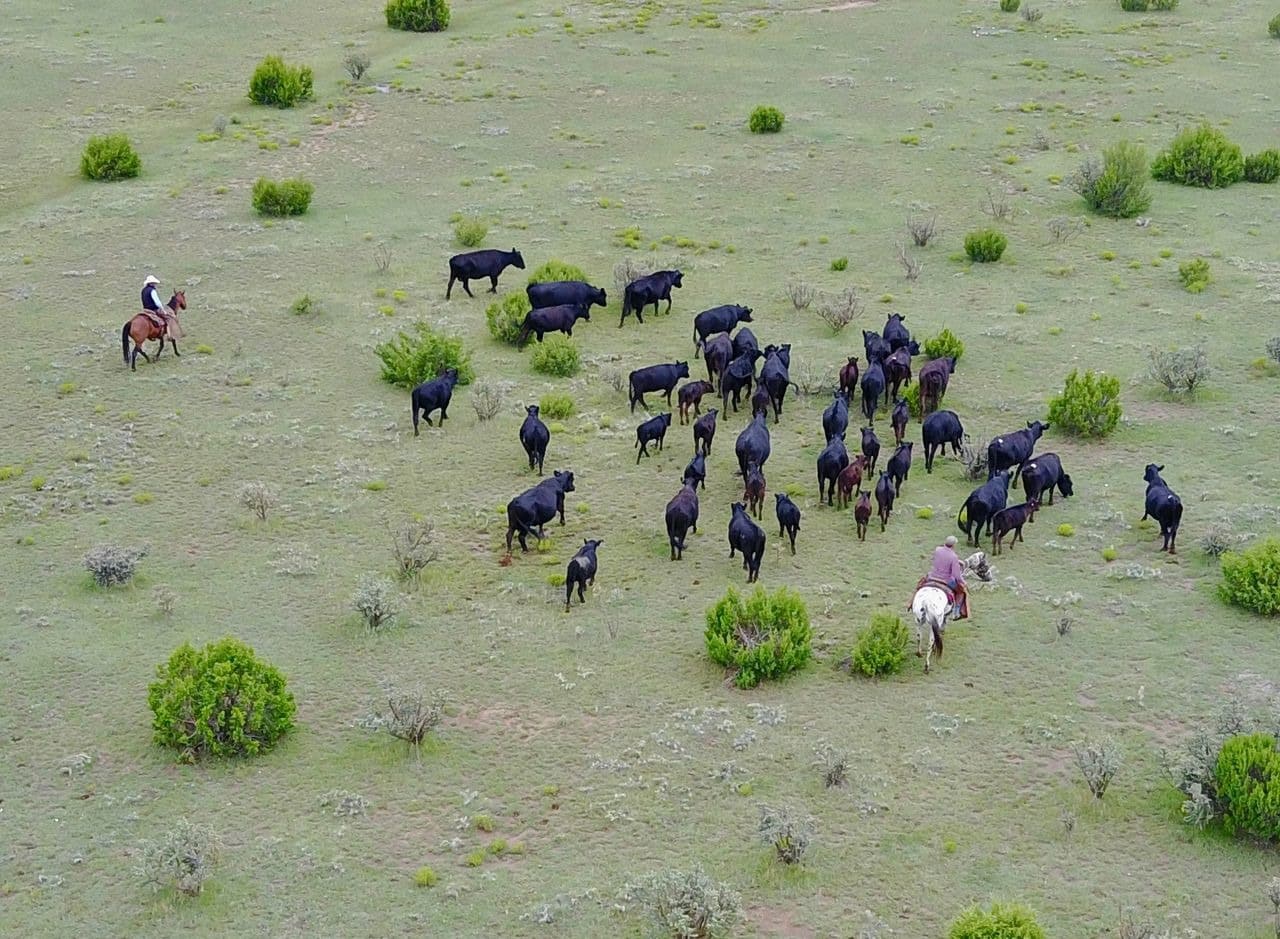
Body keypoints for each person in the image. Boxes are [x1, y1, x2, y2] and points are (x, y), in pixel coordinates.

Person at [916, 535, 969, 620]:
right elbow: (956, 575)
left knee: (919, 585)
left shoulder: (938, 550)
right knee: (961, 592)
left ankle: (911, 602)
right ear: (954, 545)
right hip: (946, 580)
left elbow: (940, 559)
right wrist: (964, 582)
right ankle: (956, 611)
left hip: (932, 576)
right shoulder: (953, 556)